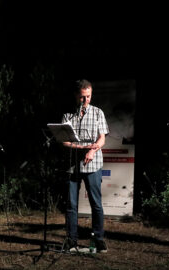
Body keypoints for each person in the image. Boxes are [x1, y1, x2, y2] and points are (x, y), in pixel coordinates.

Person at [61, 79, 109, 253]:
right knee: (71, 204)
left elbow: (102, 138)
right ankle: (71, 239)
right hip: (73, 164)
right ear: (76, 95)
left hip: (93, 163)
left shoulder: (98, 113)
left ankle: (98, 239)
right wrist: (80, 148)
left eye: (88, 97)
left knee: (96, 203)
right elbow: (64, 140)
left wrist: (92, 151)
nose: (85, 100)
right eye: (82, 97)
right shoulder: (68, 115)